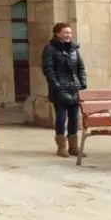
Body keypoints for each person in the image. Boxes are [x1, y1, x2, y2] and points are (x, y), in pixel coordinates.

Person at [42, 22, 87, 158]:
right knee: (61, 118)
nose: (69, 35)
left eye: (70, 32)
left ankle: (74, 147)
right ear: (57, 33)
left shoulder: (74, 49)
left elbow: (80, 67)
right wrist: (56, 85)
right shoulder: (50, 49)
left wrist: (82, 83)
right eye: (66, 32)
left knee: (74, 118)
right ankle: (61, 147)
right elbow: (48, 69)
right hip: (60, 89)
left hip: (74, 88)